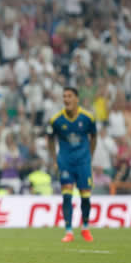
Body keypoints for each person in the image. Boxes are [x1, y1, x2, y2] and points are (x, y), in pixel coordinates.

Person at [47, 87, 97, 243]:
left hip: (83, 162)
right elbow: (50, 139)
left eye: (69, 96)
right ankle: (68, 231)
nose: (66, 99)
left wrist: (89, 156)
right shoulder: (56, 120)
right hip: (65, 162)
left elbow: (94, 137)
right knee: (67, 196)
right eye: (64, 96)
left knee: (85, 197)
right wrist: (55, 160)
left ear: (77, 99)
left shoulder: (88, 118)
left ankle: (85, 228)